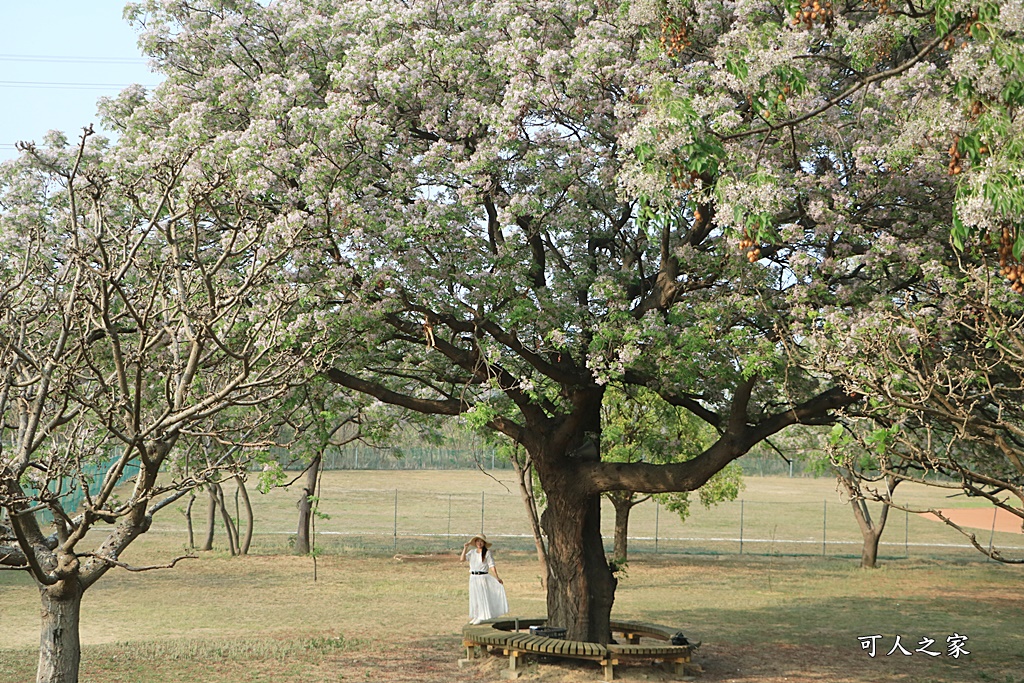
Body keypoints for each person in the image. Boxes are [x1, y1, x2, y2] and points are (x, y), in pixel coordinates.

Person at [460, 533, 509, 624]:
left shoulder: (487, 553)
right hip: (473, 578)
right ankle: (476, 615)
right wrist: (465, 548)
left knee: (482, 596)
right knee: (474, 597)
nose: (479, 543)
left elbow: (492, 565)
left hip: (482, 577)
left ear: (484, 543)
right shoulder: (472, 552)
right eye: (478, 541)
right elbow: (462, 559)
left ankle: (482, 616)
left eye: (481, 541)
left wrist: (497, 577)